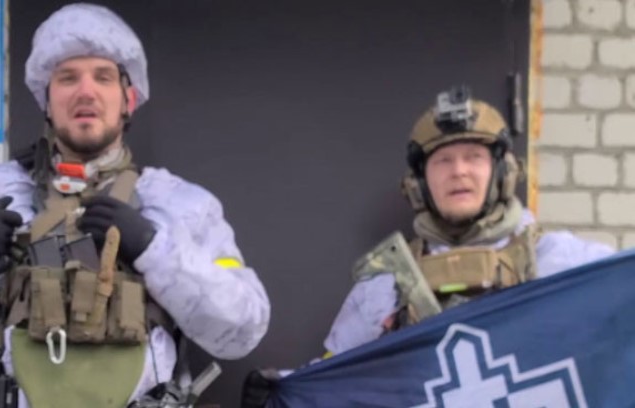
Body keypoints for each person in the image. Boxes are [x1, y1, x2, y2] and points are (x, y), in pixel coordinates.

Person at [0, 3, 270, 407]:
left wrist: (155, 250)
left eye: (103, 77)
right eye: (68, 77)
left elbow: (242, 330)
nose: (86, 91)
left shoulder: (179, 205)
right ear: (46, 99)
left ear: (128, 98)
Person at [241, 86, 614, 407]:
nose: (459, 171)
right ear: (419, 183)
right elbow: (335, 379)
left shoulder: (561, 262)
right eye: (443, 161)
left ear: (503, 172)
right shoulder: (385, 285)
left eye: (474, 157)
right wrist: (283, 390)